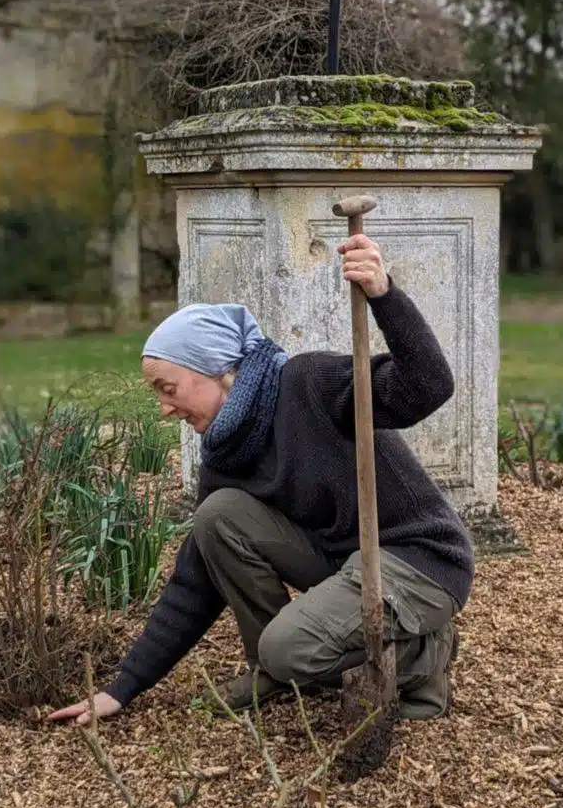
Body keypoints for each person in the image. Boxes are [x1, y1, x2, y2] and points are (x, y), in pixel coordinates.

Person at [49, 232, 474, 726]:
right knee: (217, 517)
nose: (165, 408)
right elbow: (196, 580)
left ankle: (423, 656)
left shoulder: (309, 384)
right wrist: (122, 689)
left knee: (288, 648)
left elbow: (428, 386)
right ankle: (276, 668)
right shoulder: (228, 454)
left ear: (218, 369)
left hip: (415, 558)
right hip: (345, 563)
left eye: (168, 389)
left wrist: (384, 295)